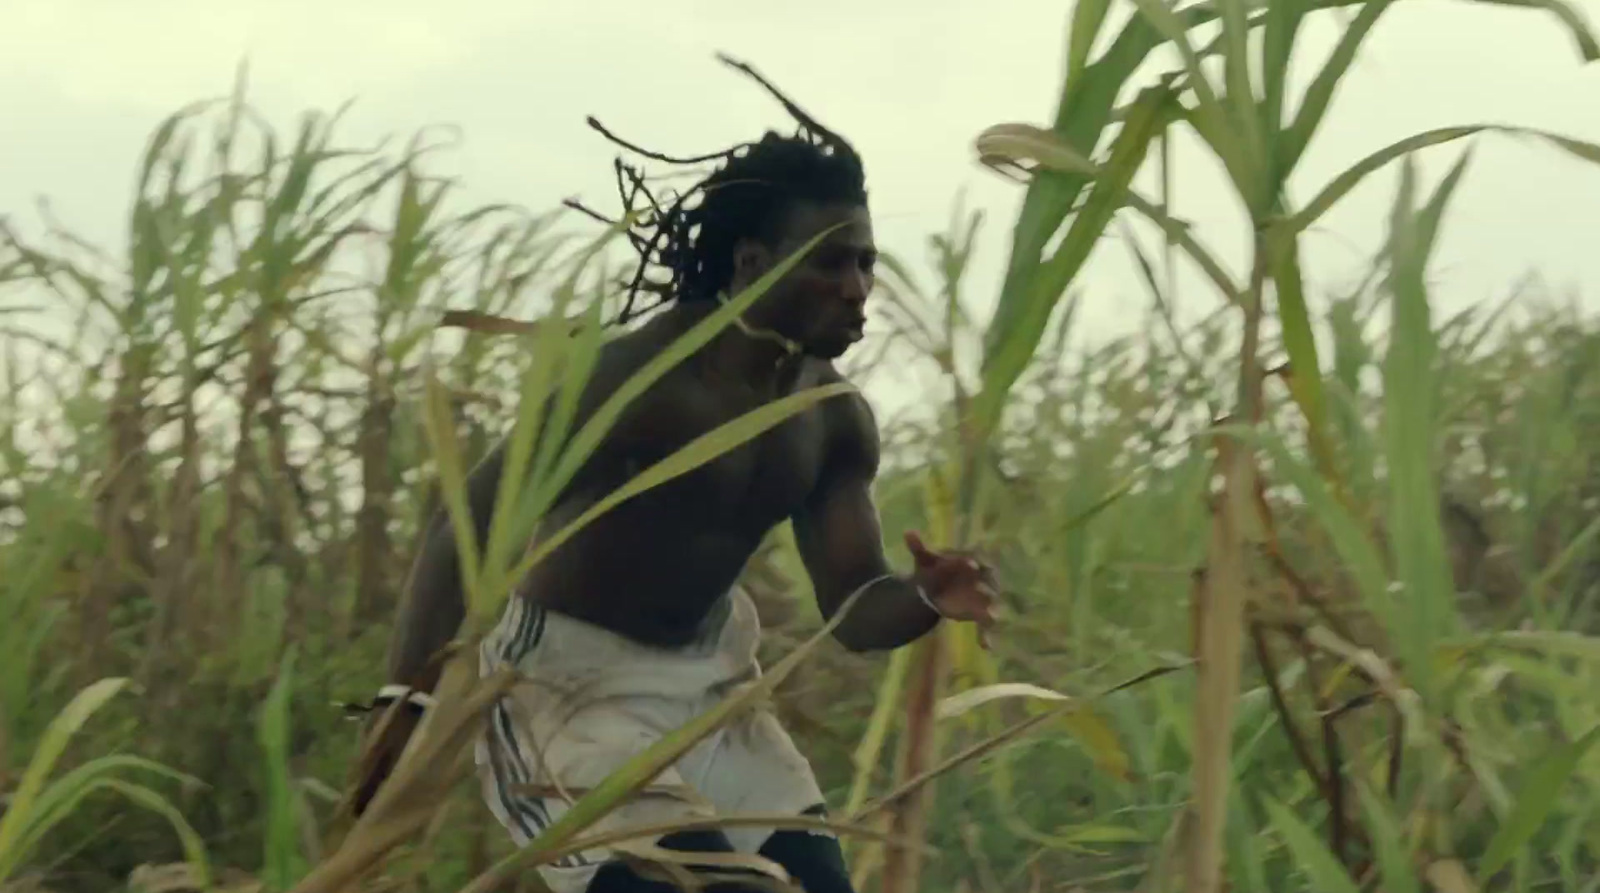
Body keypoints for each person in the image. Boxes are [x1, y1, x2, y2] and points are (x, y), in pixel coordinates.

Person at [350, 59, 999, 893]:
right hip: (567, 695)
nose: (856, 289)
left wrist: (923, 597)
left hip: (714, 688)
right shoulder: (633, 385)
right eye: (829, 264)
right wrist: (403, 704)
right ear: (752, 261)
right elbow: (464, 523)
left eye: (867, 264)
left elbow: (853, 607)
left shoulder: (833, 419)